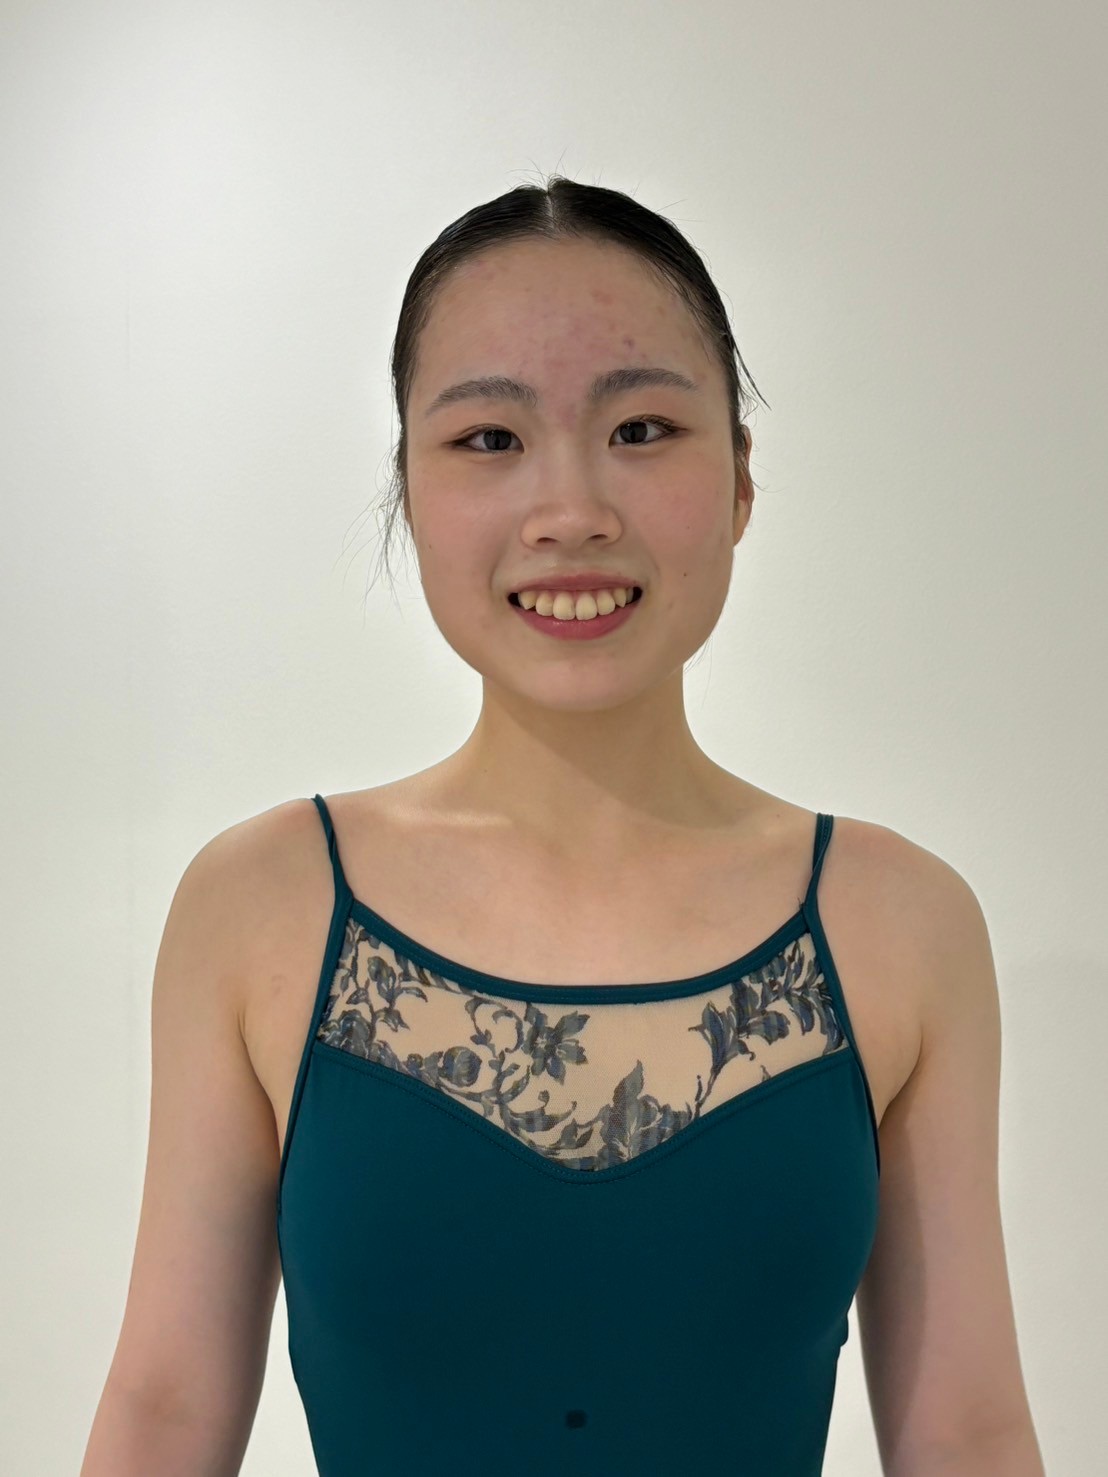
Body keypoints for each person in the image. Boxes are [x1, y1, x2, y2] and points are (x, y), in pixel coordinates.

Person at [82, 173, 1043, 1476]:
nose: (572, 509)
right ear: (408, 489)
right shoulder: (263, 905)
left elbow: (969, 1432)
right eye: (490, 439)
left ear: (742, 479)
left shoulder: (898, 920)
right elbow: (163, 1412)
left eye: (642, 428)